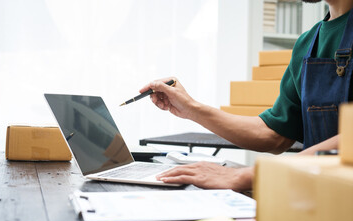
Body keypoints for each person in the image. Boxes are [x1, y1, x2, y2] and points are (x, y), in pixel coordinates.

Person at [140, 0, 353, 191]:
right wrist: (190, 108)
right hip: (323, 199)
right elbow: (274, 134)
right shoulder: (308, 44)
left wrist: (249, 175)